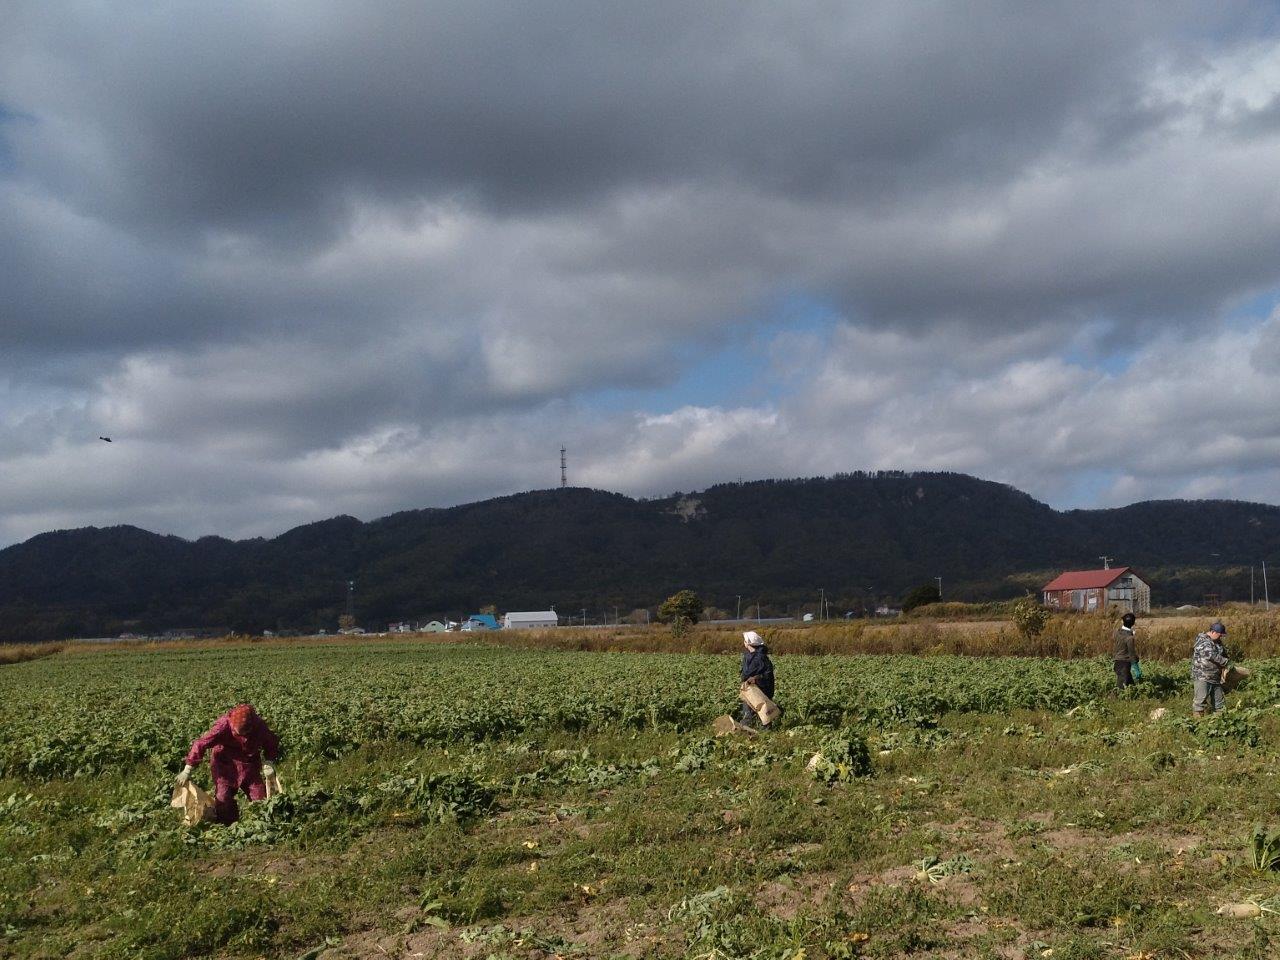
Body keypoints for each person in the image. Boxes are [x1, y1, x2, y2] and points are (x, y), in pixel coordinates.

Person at [176, 703, 281, 824]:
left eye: (246, 732)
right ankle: (228, 827)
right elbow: (201, 743)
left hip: (249, 764)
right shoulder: (223, 725)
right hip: (224, 763)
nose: (243, 736)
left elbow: (271, 743)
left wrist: (269, 761)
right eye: (239, 732)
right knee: (223, 798)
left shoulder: (260, 726)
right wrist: (187, 769)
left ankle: (262, 824)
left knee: (259, 796)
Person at [1191, 621, 1230, 717]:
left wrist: (1228, 662)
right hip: (1202, 676)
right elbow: (1210, 654)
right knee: (1200, 702)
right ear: (1213, 632)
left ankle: (1219, 723)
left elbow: (1224, 654)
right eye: (1220, 635)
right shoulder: (1203, 641)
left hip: (1215, 677)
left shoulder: (1217, 642)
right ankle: (1198, 725)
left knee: (1219, 703)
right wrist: (1225, 662)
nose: (1221, 637)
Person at [739, 630, 775, 727]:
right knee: (755, 710)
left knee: (754, 711)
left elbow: (767, 675)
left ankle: (746, 730)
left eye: (745, 641)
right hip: (753, 688)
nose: (744, 642)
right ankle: (756, 728)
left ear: (749, 643)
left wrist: (756, 678)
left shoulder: (759, 658)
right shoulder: (751, 656)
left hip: (759, 689)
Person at [1112, 611, 1139, 691]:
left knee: (1131, 687)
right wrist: (1136, 666)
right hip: (1124, 664)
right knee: (1120, 688)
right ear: (1133, 623)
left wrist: (1130, 633)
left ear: (1123, 621)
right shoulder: (1130, 638)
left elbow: (1122, 634)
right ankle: (1113, 699)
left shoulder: (1116, 632)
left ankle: (1133, 700)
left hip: (1118, 662)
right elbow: (1131, 653)